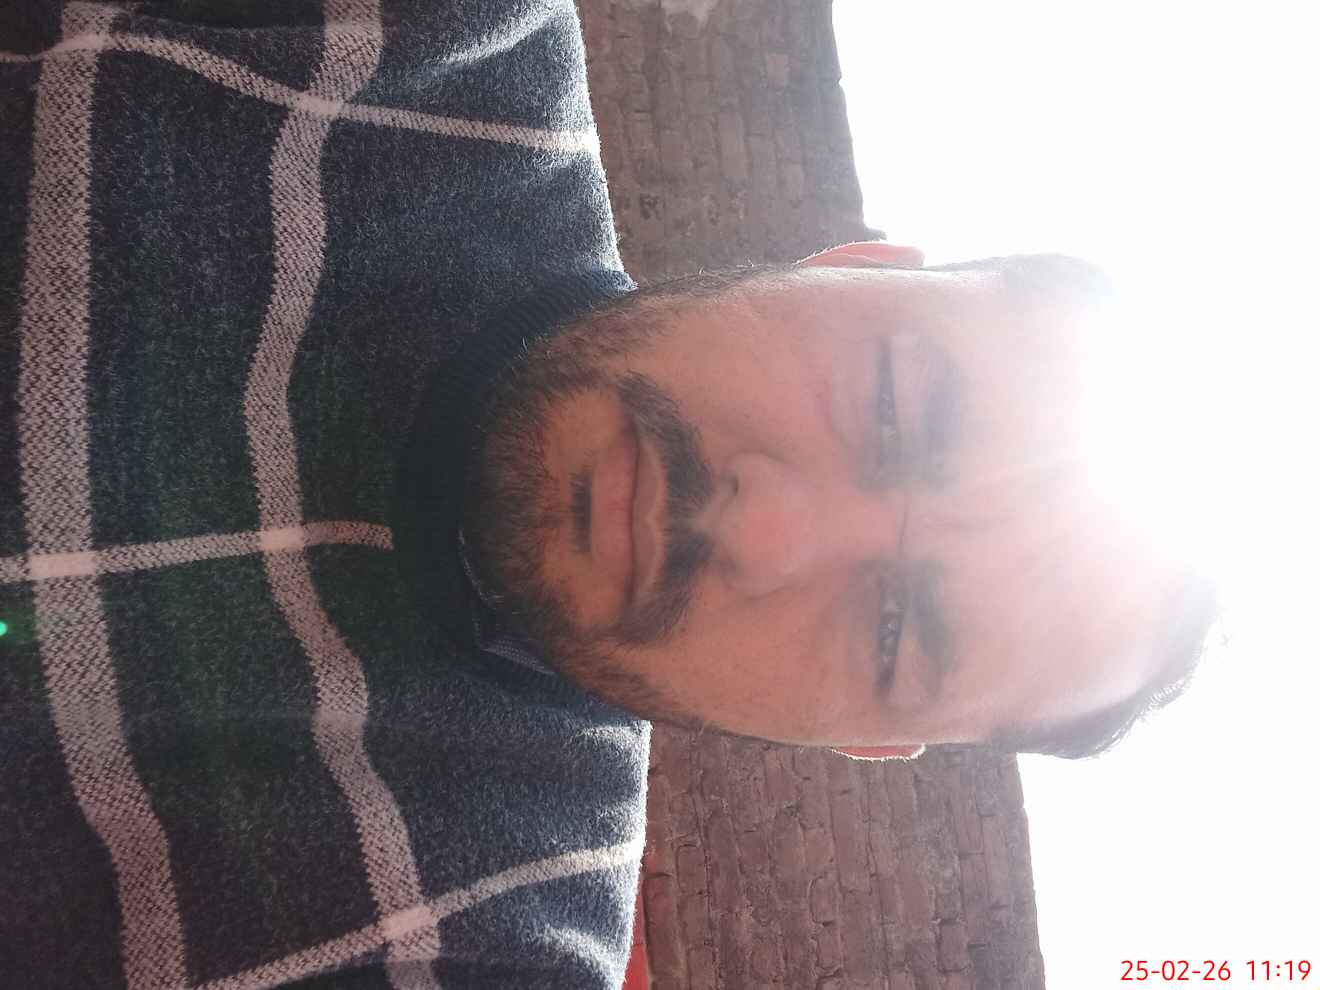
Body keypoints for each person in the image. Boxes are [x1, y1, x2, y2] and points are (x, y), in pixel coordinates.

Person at [0, 1, 1217, 987]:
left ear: (858, 739)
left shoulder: (477, 947)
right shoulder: (424, 38)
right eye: (892, 407)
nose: (762, 528)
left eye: (893, 629)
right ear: (846, 266)